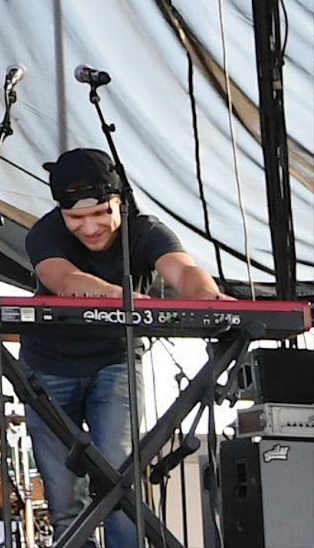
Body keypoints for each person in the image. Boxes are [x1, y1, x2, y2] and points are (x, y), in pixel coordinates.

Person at [19, 146, 223, 548]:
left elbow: (183, 270)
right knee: (64, 500)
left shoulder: (145, 230)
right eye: (77, 218)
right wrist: (136, 302)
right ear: (61, 212)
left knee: (123, 484)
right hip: (49, 368)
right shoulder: (43, 233)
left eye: (101, 214)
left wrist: (210, 299)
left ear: (119, 201)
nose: (90, 227)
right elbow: (65, 280)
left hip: (115, 363)